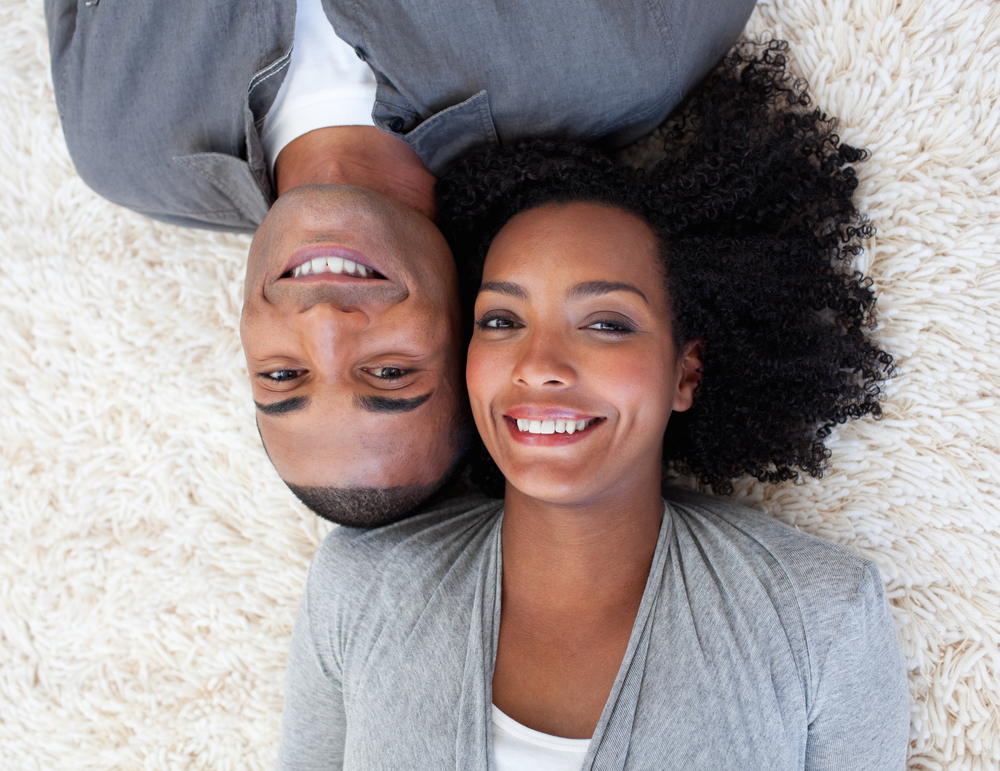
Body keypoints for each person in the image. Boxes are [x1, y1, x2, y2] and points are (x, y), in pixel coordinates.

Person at [275, 47, 910, 769]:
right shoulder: (360, 589)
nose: (539, 365)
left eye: (606, 323)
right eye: (501, 321)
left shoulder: (823, 616)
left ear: (686, 371)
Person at [45, 0, 757, 526]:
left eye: (283, 374)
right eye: (389, 371)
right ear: (473, 321)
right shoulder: (626, 56)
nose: (324, 322)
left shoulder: (122, 140)